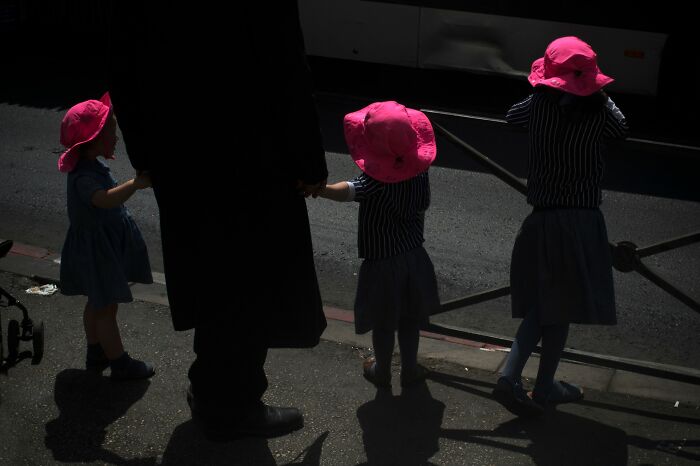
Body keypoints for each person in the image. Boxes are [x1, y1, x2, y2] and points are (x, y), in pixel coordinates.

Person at [105, 3, 328, 439]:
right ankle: (232, 405)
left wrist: (147, 154)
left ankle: (209, 387)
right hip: (251, 154)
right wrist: (309, 162)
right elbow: (285, 72)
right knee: (249, 284)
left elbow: (123, 62)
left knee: (208, 274)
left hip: (180, 151)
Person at [492, 36, 628, 417]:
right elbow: (622, 129)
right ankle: (515, 378)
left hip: (543, 218)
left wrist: (544, 90)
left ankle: (541, 384)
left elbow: (511, 118)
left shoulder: (538, 105)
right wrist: (597, 93)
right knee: (556, 306)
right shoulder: (601, 111)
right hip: (582, 221)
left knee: (551, 305)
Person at [319, 101, 441, 389]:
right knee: (410, 319)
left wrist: (319, 190)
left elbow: (348, 191)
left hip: (383, 262)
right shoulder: (419, 171)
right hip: (415, 257)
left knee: (385, 323)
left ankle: (382, 370)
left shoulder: (375, 181)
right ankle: (410, 368)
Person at [58, 92, 155, 380]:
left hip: (98, 246)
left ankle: (95, 350)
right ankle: (119, 362)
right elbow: (104, 199)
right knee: (106, 306)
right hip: (97, 249)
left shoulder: (88, 166)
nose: (116, 137)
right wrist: (135, 184)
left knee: (96, 302)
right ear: (93, 141)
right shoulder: (84, 177)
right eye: (111, 132)